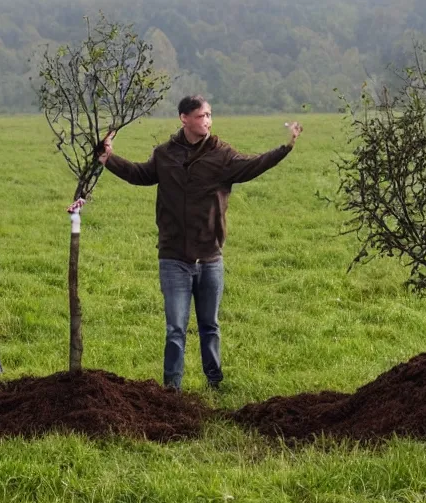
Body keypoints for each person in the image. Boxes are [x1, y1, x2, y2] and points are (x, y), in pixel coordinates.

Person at [97, 95, 303, 391]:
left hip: (209, 258)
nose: (207, 120)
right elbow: (140, 175)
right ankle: (172, 390)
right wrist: (108, 158)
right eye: (201, 115)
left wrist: (286, 147)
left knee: (210, 327)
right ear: (184, 118)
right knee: (175, 329)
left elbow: (254, 165)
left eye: (209, 115)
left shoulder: (222, 156)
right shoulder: (165, 154)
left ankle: (215, 383)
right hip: (173, 258)